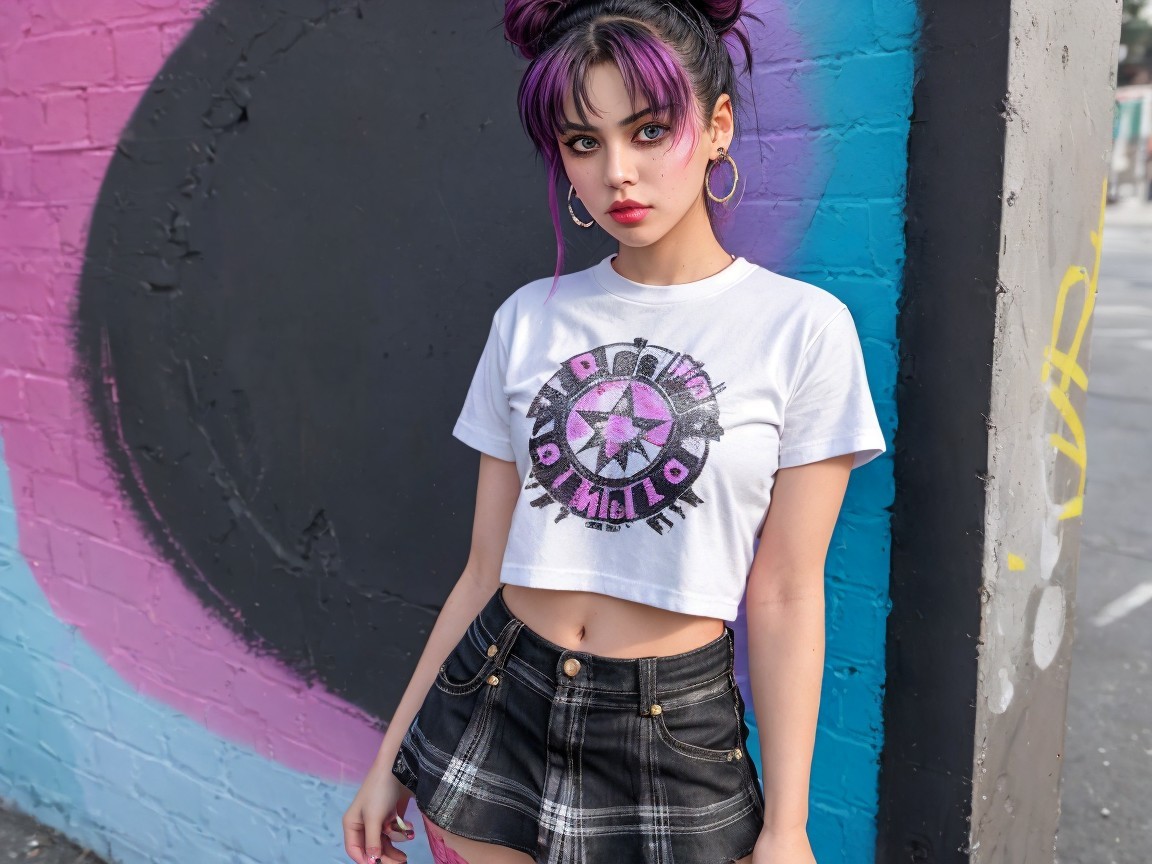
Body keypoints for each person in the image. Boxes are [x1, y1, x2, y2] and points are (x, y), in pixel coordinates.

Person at [342, 1, 887, 862]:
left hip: (670, 729)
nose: (617, 174)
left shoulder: (803, 329)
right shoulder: (530, 318)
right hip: (498, 691)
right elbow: (484, 567)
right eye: (583, 142)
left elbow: (786, 592)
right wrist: (391, 759)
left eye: (649, 130)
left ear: (717, 127)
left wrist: (787, 827)